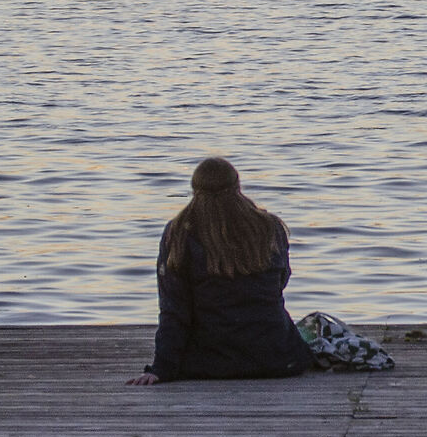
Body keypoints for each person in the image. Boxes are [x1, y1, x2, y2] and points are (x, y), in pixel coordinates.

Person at [127, 157, 314, 384]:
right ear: (237, 186)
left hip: (210, 363)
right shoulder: (269, 226)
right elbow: (280, 282)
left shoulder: (178, 234)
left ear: (195, 189)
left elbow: (174, 310)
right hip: (278, 357)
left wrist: (161, 369)